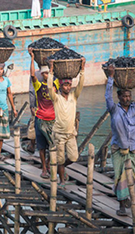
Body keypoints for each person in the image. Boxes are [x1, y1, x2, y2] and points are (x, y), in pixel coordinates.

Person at [106, 64, 135, 216]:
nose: (127, 98)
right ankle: (121, 206)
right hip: (118, 149)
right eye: (124, 96)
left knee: (133, 174)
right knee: (120, 177)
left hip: (131, 149)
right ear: (118, 97)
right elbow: (107, 97)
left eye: (128, 96)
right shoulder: (114, 110)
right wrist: (111, 77)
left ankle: (124, 198)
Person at [47, 57, 85, 187]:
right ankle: (62, 180)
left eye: (69, 85)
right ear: (61, 86)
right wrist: (51, 71)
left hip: (70, 134)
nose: (68, 87)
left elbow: (80, 85)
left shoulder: (74, 97)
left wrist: (82, 70)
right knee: (61, 158)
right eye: (65, 85)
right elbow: (49, 87)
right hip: (59, 134)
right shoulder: (56, 98)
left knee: (73, 157)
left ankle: (61, 167)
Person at [29, 48, 60, 179]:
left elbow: (61, 75)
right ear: (42, 75)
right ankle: (44, 168)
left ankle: (48, 164)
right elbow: (32, 75)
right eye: (45, 74)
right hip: (40, 119)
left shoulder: (56, 85)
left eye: (49, 73)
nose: (47, 75)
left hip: (53, 120)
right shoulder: (38, 86)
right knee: (41, 146)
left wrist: (55, 64)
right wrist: (31, 58)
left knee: (53, 146)